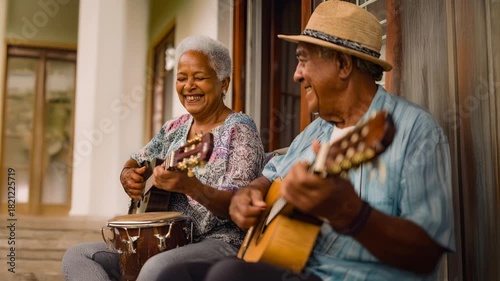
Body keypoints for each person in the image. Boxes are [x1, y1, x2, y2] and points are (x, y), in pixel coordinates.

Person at [154, 1, 455, 281]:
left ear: (342, 64)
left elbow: (427, 255)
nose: (297, 75)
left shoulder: (415, 131)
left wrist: (352, 213)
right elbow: (268, 178)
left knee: (229, 275)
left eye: (303, 61)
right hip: (296, 266)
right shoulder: (316, 132)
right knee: (172, 275)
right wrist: (250, 195)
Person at [61, 35, 265, 281]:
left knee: (155, 268)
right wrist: (127, 175)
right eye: (181, 78)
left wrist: (191, 186)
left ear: (224, 83)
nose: (188, 86)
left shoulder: (239, 130)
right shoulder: (174, 128)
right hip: (160, 242)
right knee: (78, 256)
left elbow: (237, 207)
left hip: (219, 242)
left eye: (199, 77)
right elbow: (136, 160)